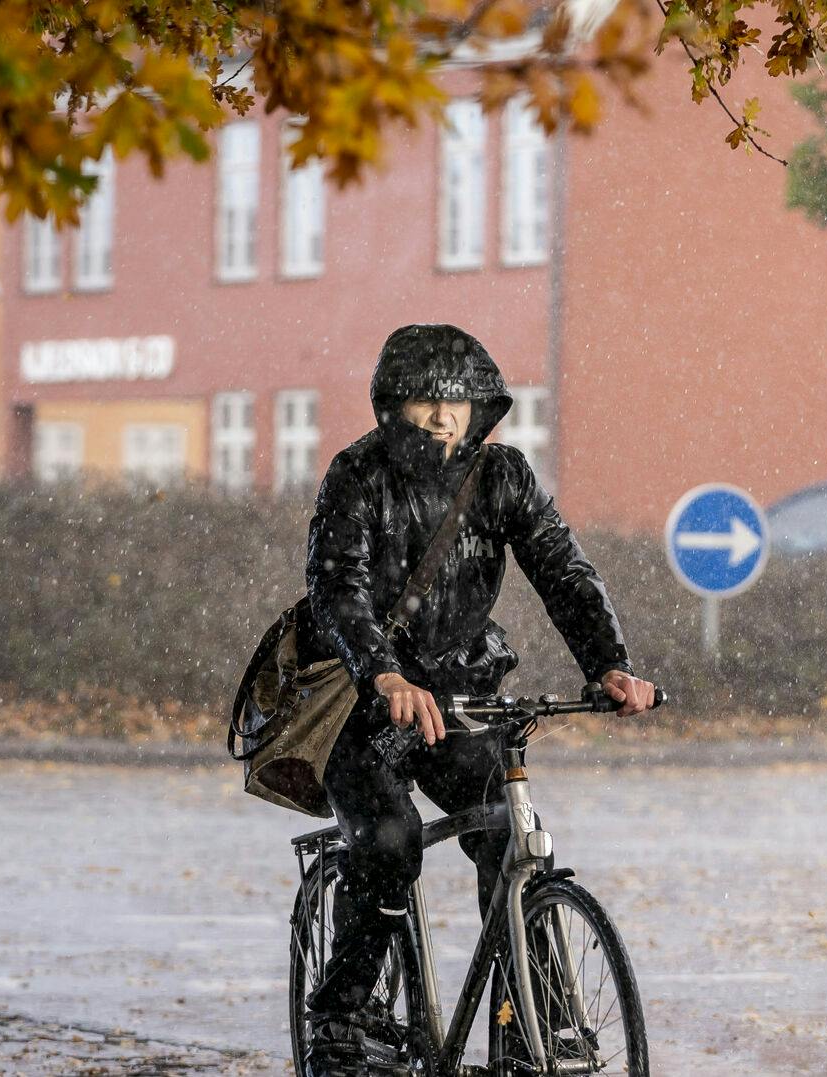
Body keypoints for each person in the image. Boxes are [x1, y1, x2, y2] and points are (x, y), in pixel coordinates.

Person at [299, 323, 656, 1077]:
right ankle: (342, 1012)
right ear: (393, 404)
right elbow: (338, 590)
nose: (441, 414)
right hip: (364, 708)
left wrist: (610, 664)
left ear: (479, 407)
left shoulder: (502, 477)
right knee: (390, 842)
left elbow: (561, 568)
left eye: (456, 400)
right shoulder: (357, 477)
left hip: (462, 698)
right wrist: (384, 674)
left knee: (512, 836)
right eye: (426, 398)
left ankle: (536, 1017)